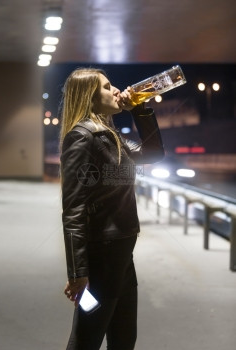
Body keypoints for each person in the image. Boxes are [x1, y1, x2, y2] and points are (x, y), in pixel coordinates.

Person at [60, 67, 164, 350]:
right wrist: (77, 271)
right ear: (89, 97)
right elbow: (73, 208)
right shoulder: (83, 137)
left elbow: (154, 153)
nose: (116, 90)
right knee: (86, 340)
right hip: (103, 254)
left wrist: (140, 108)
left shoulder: (109, 136)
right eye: (107, 87)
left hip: (121, 252)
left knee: (123, 339)